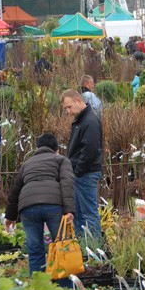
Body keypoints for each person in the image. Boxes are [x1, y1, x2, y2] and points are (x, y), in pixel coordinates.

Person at [4, 134, 75, 281]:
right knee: (62, 246)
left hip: (28, 208)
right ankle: (65, 287)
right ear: (56, 149)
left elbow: (15, 191)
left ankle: (39, 286)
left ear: (37, 148)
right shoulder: (61, 160)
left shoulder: (27, 164)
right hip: (53, 205)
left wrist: (10, 216)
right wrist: (69, 210)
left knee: (35, 248)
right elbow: (67, 183)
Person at [61, 89, 103, 238]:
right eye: (66, 108)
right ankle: (81, 247)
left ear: (78, 101)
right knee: (78, 212)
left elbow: (90, 150)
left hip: (86, 173)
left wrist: (77, 171)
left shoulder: (89, 120)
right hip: (80, 173)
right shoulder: (81, 120)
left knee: (88, 213)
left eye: (69, 107)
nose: (68, 111)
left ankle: (95, 247)